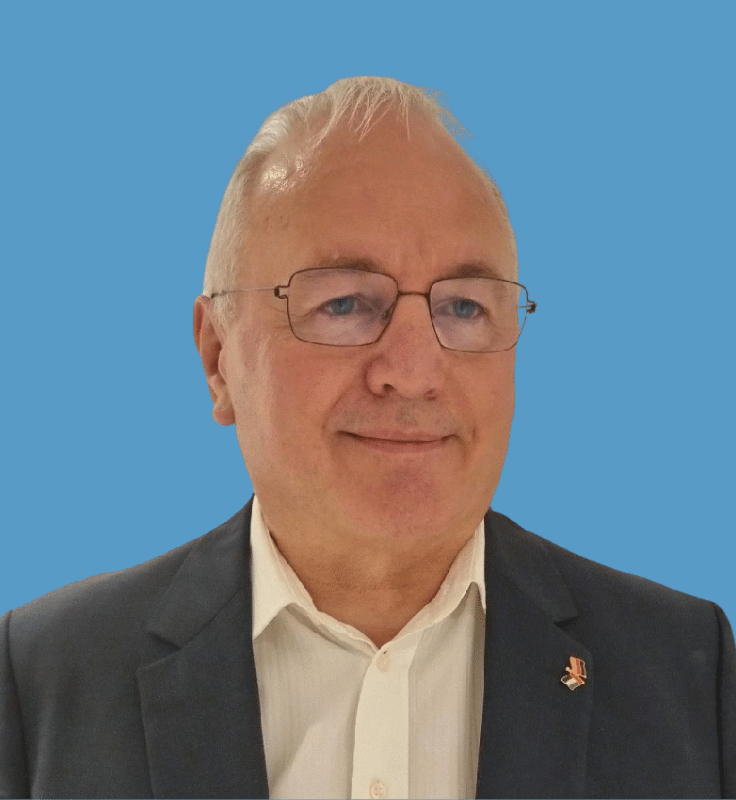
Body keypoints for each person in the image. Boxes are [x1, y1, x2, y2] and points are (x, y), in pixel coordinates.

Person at [1, 76, 734, 800]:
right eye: (345, 303)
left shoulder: (687, 674)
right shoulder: (45, 681)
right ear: (218, 357)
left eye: (466, 307)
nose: (413, 371)